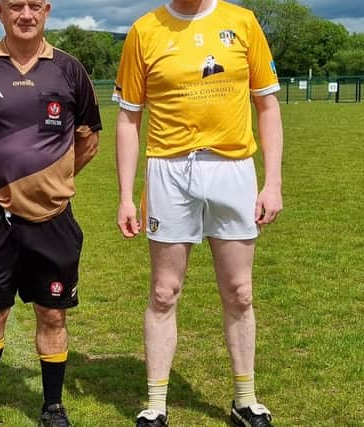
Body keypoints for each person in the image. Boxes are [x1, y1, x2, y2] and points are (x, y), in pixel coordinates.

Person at [113, 0, 283, 426]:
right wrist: (125, 195)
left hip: (233, 169)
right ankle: (155, 406)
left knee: (240, 291)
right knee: (164, 292)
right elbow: (129, 118)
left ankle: (246, 400)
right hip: (168, 170)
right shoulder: (144, 30)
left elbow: (267, 105)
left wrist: (273, 182)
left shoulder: (241, 22)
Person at [0, 1, 101, 425]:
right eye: (17, 5)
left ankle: (52, 406)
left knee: (52, 313)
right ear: (0, 12)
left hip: (53, 217)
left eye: (35, 5)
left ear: (47, 10)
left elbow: (88, 140)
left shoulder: (70, 70)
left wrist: (54, 178)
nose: (26, 14)